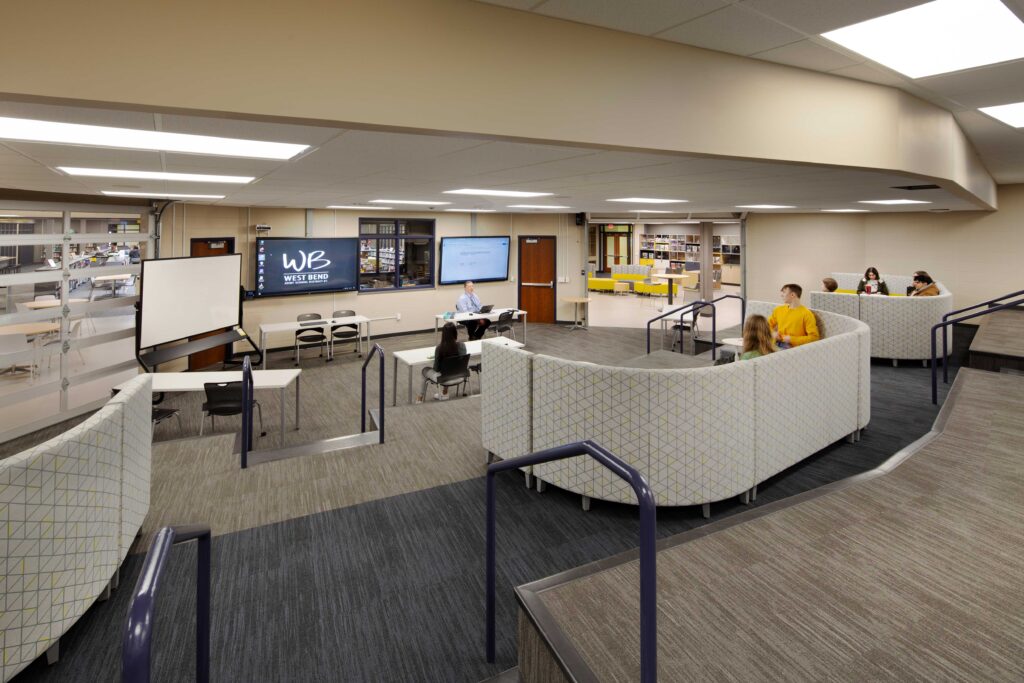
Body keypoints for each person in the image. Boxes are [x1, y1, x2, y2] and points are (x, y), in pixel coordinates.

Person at [419, 322, 466, 402]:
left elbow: (436, 369)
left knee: (425, 370)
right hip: (460, 376)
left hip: (444, 379)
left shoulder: (439, 348)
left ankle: (420, 398)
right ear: (455, 333)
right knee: (450, 367)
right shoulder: (462, 345)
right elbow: (462, 363)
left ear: (443, 334)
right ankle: (445, 393)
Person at [768, 283, 820, 348]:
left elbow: (814, 337)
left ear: (792, 295)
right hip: (774, 343)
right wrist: (772, 333)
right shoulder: (778, 310)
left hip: (791, 348)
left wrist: (792, 339)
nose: (781, 295)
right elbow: (766, 325)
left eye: (784, 292)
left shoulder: (806, 314)